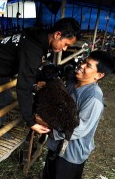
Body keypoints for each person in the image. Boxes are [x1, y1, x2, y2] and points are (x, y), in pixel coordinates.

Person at [0, 17, 81, 163]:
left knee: (5, 100)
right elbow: (23, 86)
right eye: (65, 44)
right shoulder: (33, 48)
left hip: (3, 69)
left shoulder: (41, 39)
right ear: (57, 35)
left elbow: (31, 72)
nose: (64, 49)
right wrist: (31, 121)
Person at [42, 50, 115, 179]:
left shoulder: (93, 98)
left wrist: (50, 130)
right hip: (55, 146)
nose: (81, 65)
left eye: (88, 65)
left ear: (99, 75)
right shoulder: (72, 81)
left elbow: (78, 129)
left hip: (71, 153)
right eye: (84, 61)